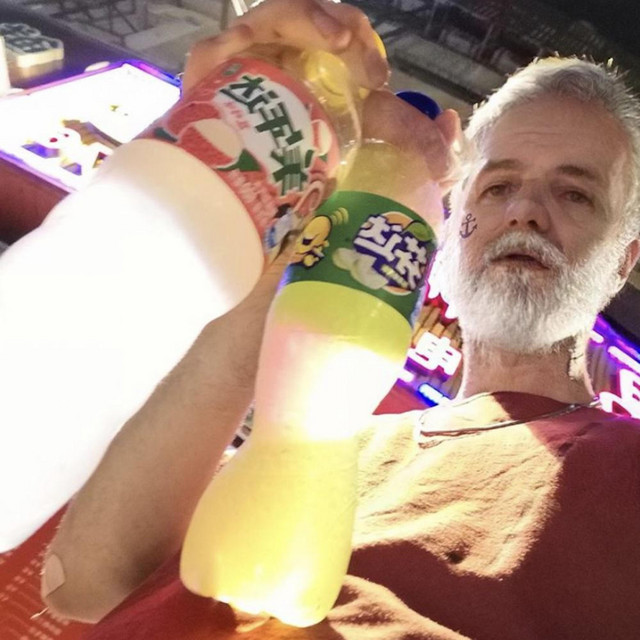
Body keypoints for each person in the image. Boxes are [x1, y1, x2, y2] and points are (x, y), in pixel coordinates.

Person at [40, 1, 640, 638]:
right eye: (497, 186)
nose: (525, 212)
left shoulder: (623, 469)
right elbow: (84, 581)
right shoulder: (325, 437)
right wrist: (281, 237)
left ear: (623, 261)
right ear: (448, 228)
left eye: (574, 194)